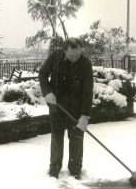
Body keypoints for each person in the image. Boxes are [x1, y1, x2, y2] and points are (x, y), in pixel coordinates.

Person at [39, 37, 93, 179]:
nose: (75, 58)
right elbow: (42, 74)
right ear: (64, 51)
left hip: (76, 108)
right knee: (56, 137)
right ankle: (54, 169)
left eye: (78, 55)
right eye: (71, 55)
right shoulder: (55, 57)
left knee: (76, 138)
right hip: (57, 106)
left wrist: (85, 116)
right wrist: (48, 92)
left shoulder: (86, 64)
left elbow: (88, 91)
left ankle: (75, 170)